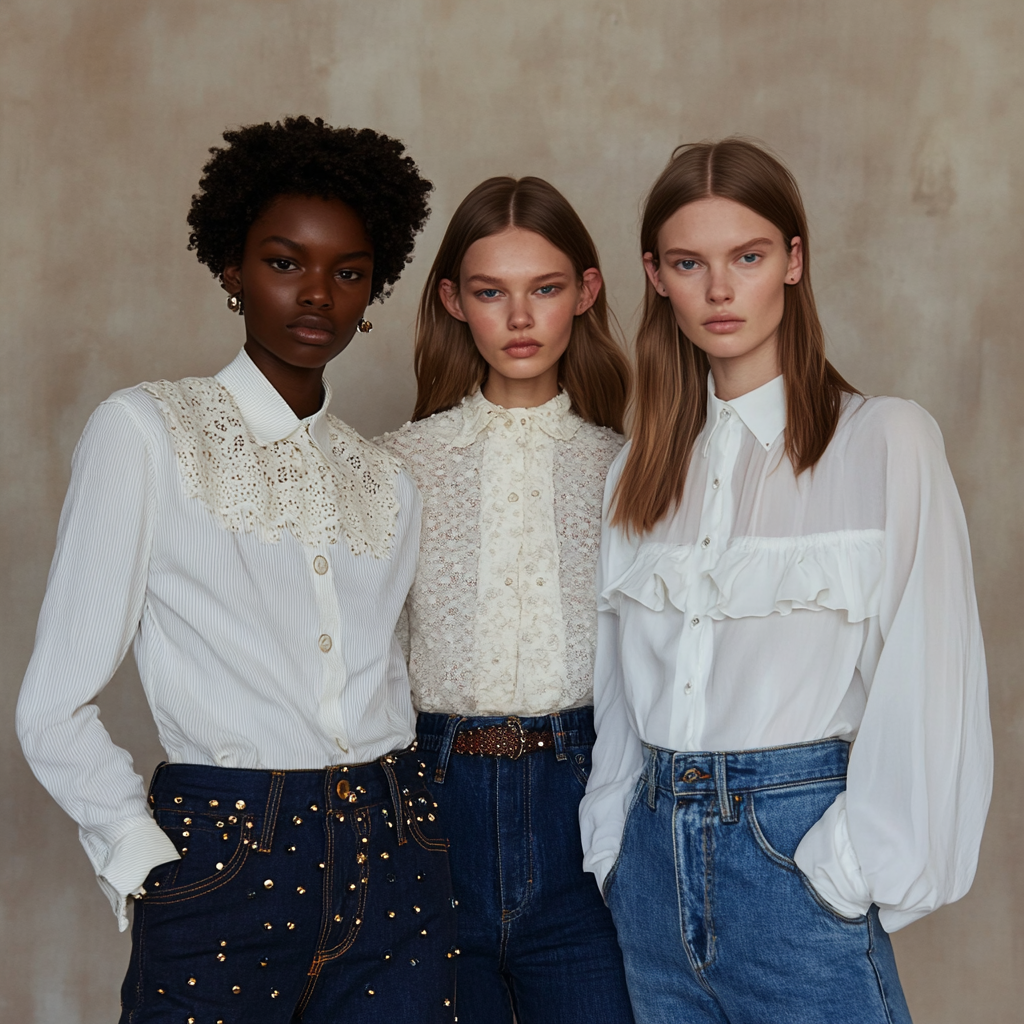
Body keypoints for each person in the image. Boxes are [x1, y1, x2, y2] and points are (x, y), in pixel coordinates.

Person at [17, 116, 457, 1024]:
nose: (317, 296)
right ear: (231, 270)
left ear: (374, 291)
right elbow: (51, 702)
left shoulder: (388, 480)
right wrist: (139, 853)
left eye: (348, 272)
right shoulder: (146, 432)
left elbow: (394, 679)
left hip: (393, 847)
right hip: (227, 852)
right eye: (284, 261)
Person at [579, 138, 992, 1023]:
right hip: (652, 876)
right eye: (690, 263)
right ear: (655, 276)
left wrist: (846, 871)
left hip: (796, 862)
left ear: (794, 262)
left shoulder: (886, 441)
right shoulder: (637, 472)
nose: (719, 291)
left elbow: (930, 678)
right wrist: (615, 846)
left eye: (749, 257)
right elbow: (616, 695)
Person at [377, 176, 636, 1024]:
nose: (520, 319)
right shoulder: (394, 467)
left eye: (546, 289)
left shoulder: (630, 469)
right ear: (454, 300)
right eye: (492, 292)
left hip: (586, 800)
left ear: (586, 292)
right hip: (430, 803)